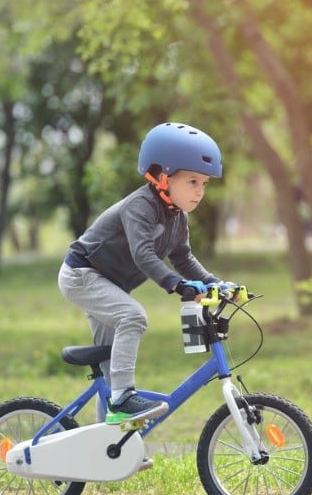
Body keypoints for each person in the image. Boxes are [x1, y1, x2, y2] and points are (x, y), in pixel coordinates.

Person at [58, 122, 227, 425]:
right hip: (83, 274)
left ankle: (106, 445)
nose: (200, 192)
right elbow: (143, 254)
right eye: (192, 181)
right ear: (163, 176)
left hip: (107, 283)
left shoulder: (178, 217)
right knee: (133, 316)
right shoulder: (140, 207)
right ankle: (123, 399)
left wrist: (214, 283)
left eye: (204, 184)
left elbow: (182, 256)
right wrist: (175, 285)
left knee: (110, 365)